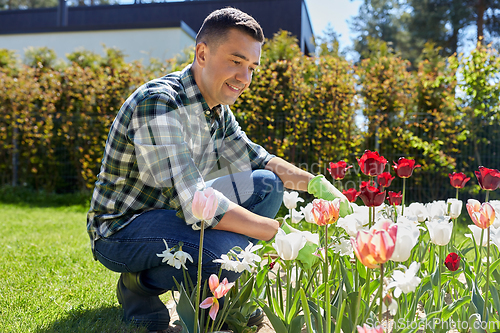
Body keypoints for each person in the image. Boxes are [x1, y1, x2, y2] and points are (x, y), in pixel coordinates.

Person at [86, 7, 349, 333]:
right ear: (202, 53)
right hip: (123, 230)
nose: (245, 77)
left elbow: (260, 159)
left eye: (252, 67)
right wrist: (278, 233)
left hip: (172, 215)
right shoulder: (160, 103)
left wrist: (320, 187)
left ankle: (217, 291)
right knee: (226, 253)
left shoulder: (215, 109)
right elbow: (194, 203)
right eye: (236, 62)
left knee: (266, 185)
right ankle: (140, 288)